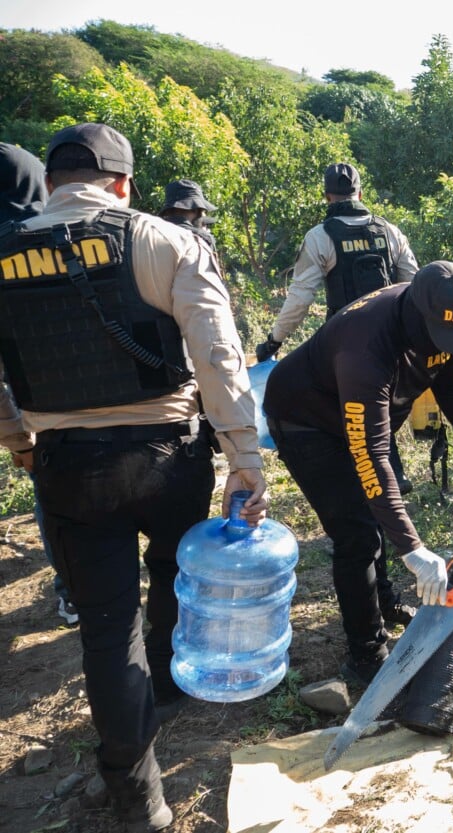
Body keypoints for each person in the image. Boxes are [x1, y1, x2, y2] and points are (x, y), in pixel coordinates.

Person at [0, 123, 268, 831]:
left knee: (104, 628)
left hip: (67, 468)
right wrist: (245, 457)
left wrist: (17, 440)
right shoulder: (163, 239)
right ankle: (172, 689)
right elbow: (219, 355)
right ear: (122, 183)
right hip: (166, 459)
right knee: (174, 575)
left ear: (50, 182)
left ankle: (137, 792)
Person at [263, 262, 453, 683]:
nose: (444, 345)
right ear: (417, 314)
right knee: (357, 532)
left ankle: (385, 602)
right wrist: (414, 549)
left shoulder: (438, 316)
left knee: (378, 514)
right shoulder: (366, 349)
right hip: (308, 421)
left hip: (356, 419)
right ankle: (366, 655)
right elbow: (370, 456)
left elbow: (450, 388)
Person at [256, 161, 419, 495]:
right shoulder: (389, 231)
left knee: (352, 414)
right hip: (392, 339)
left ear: (326, 195)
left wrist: (274, 341)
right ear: (360, 192)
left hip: (346, 346)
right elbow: (413, 284)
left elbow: (300, 298)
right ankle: (391, 475)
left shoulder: (320, 237)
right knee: (380, 407)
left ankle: (379, 481)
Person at [0, 142, 75, 625]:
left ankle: (73, 590)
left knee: (55, 499)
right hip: (123, 410)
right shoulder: (79, 238)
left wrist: (17, 440)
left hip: (39, 416)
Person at [158, 178, 218, 251]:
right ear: (195, 209)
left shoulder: (152, 233)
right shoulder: (202, 238)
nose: (203, 216)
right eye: (202, 211)